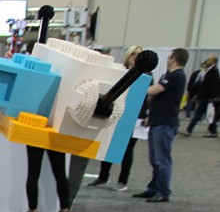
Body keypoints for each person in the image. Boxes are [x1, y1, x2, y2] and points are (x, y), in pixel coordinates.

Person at [88, 46, 148, 191]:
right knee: (108, 144)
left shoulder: (145, 77)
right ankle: (103, 176)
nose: (135, 57)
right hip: (117, 113)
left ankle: (123, 180)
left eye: (138, 54)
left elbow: (145, 99)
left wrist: (143, 116)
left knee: (128, 149)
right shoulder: (121, 72)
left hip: (135, 117)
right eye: (133, 54)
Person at [135, 48, 188, 203]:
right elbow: (157, 95)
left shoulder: (176, 76)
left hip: (165, 124)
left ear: (174, 59)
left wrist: (136, 87)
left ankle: (163, 191)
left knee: (162, 160)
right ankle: (153, 188)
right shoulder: (168, 75)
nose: (168, 59)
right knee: (155, 159)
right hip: (158, 121)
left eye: (170, 56)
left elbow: (155, 90)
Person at [20, 146, 72, 212]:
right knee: (61, 174)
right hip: (56, 140)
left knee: (33, 174)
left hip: (35, 139)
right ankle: (64, 211)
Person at [184, 54, 218, 137]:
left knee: (200, 113)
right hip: (204, 96)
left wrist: (212, 96)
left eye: (209, 59)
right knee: (208, 114)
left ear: (213, 61)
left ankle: (189, 129)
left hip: (207, 97)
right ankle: (213, 131)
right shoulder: (208, 71)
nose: (207, 60)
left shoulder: (214, 71)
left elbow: (214, 85)